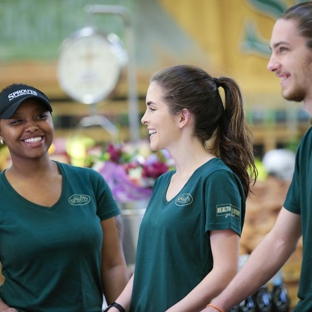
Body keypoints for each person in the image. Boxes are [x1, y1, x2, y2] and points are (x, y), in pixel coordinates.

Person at [103, 64, 257, 312]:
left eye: (152, 108)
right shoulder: (164, 181)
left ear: (183, 117)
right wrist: (117, 307)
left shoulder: (216, 179)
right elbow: (147, 266)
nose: (144, 118)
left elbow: (225, 270)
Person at [204, 2, 312, 312]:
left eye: (282, 49)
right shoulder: (308, 144)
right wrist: (218, 306)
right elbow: (280, 239)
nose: (271, 64)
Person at [0, 83, 129, 312]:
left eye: (40, 116)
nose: (31, 127)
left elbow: (112, 265)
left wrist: (119, 309)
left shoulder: (90, 182)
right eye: (16, 121)